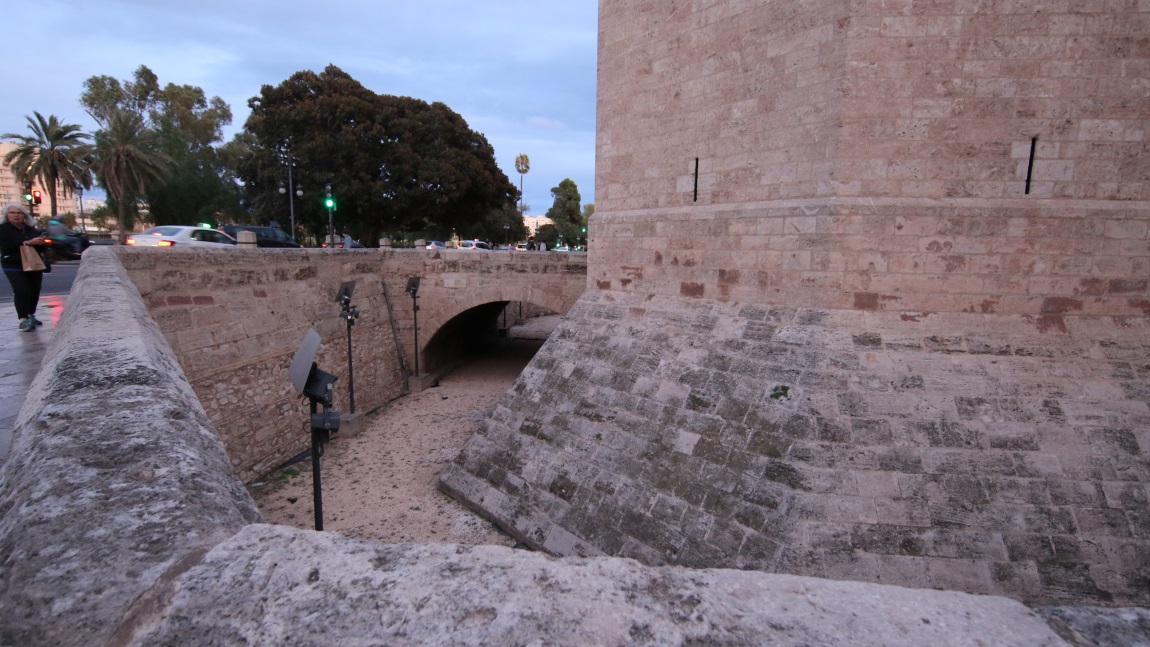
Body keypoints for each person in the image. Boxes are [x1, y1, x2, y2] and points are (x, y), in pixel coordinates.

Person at [0, 203, 48, 331]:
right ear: (7, 215)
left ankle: (30, 314)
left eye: (19, 213)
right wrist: (26, 242)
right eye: (12, 213)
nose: (16, 215)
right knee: (21, 289)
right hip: (13, 264)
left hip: (33, 263)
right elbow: (5, 246)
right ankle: (23, 319)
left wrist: (41, 242)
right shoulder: (3, 229)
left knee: (34, 290)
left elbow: (42, 249)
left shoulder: (31, 229)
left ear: (25, 216)